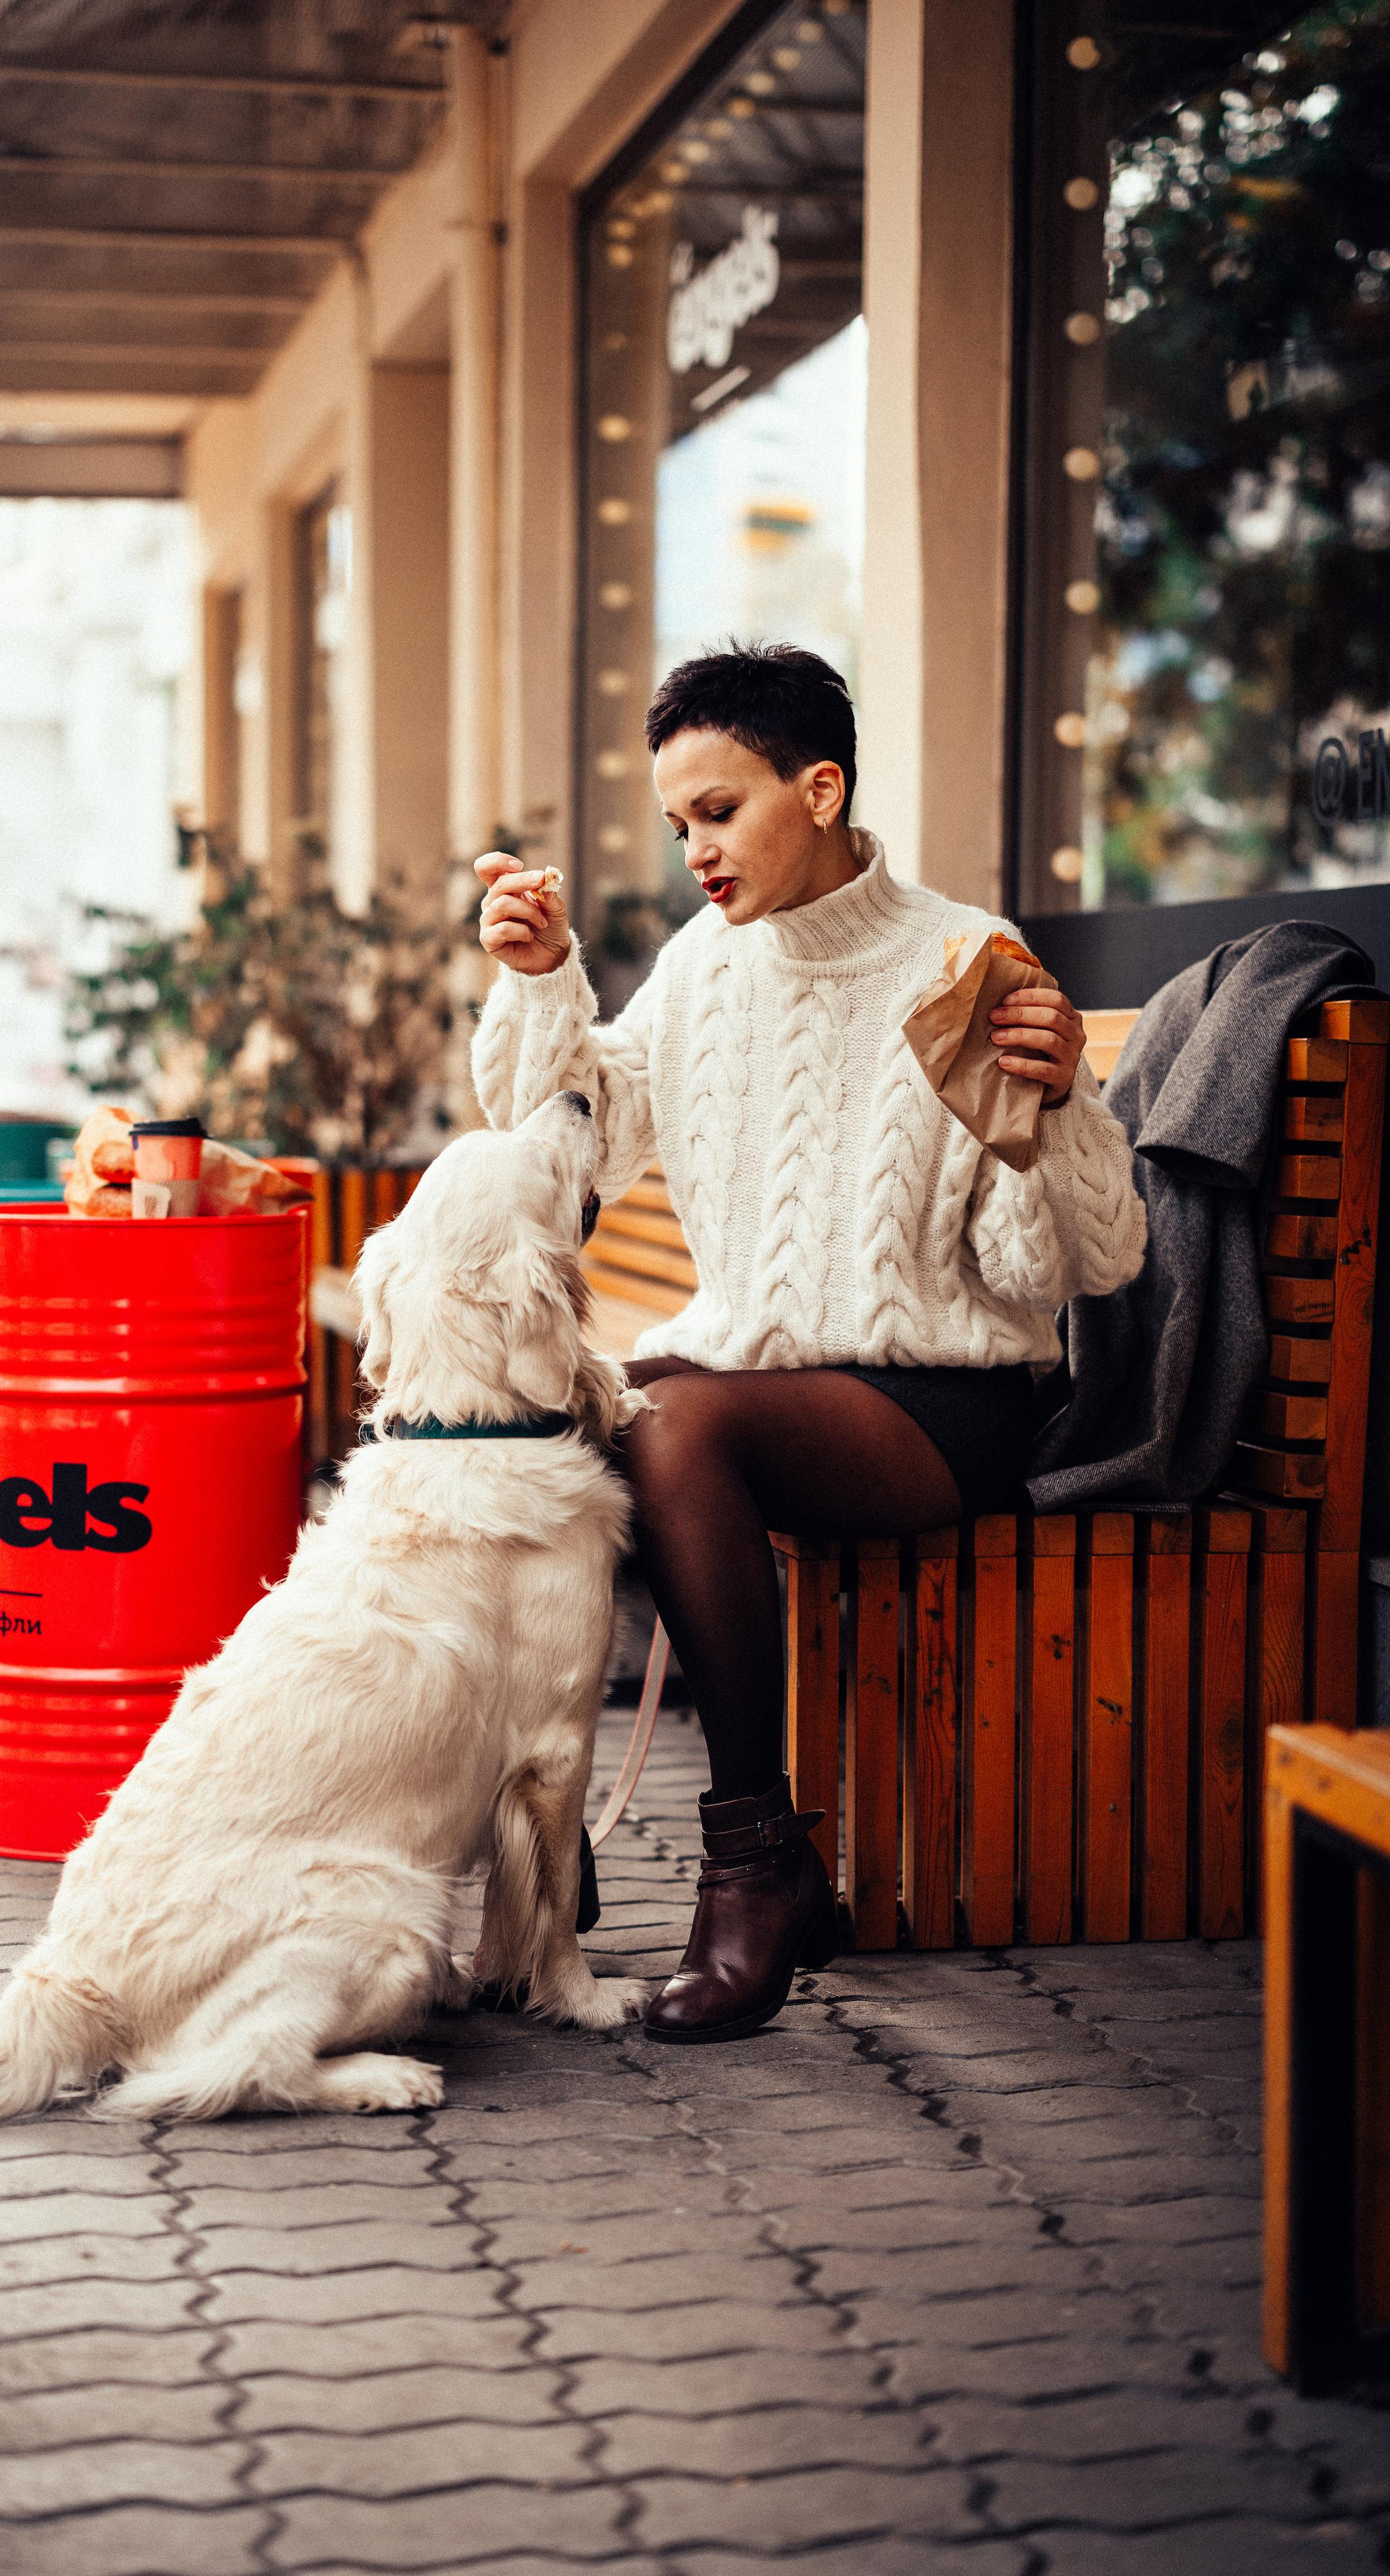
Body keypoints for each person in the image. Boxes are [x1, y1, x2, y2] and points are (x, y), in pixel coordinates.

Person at [472, 642, 1144, 2044]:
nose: (693, 853)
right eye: (676, 826)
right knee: (545, 1405)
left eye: (717, 812)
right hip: (758, 1390)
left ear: (819, 786)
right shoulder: (703, 968)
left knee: (671, 1417)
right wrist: (544, 985)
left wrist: (1058, 1107)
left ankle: (753, 1858)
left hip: (945, 1401)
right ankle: (532, 1809)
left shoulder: (965, 958)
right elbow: (569, 1137)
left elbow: (1071, 1265)